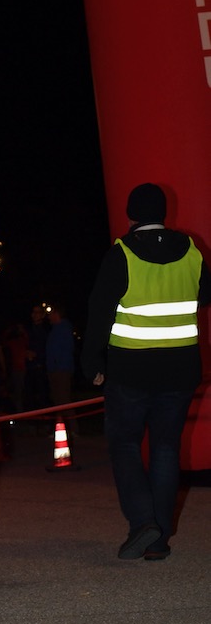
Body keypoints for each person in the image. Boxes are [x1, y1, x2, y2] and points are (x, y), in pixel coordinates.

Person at [81, 182, 211, 560]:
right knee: (167, 449)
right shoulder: (190, 250)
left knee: (124, 444)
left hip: (130, 370)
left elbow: (99, 313)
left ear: (131, 213)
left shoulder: (121, 254)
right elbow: (205, 294)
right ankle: (158, 540)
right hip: (181, 369)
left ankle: (143, 521)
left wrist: (92, 363)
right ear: (163, 212)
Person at [45, 301, 78, 435]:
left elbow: (65, 350)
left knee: (64, 399)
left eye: (51, 314)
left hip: (61, 369)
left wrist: (58, 365)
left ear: (56, 314)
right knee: (58, 400)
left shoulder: (64, 328)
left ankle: (73, 429)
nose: (48, 317)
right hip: (55, 369)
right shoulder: (55, 329)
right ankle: (61, 429)